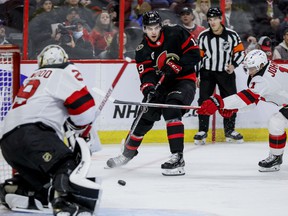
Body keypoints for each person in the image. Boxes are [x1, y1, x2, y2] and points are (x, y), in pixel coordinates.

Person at [0, 45, 101, 215]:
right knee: (66, 164)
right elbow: (84, 110)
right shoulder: (64, 70)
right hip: (33, 134)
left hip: (7, 142)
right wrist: (81, 126)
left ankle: (15, 189)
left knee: (47, 182)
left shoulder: (33, 78)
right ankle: (64, 203)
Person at [106, 11, 201, 176]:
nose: (154, 32)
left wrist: (179, 65)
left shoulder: (176, 33)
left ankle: (177, 158)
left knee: (171, 108)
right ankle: (127, 154)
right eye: (150, 28)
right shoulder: (142, 50)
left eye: (156, 27)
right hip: (161, 86)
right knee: (143, 118)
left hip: (183, 81)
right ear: (144, 29)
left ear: (161, 26)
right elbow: (146, 74)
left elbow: (195, 54)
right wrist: (149, 88)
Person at [197, 49, 288, 172]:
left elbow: (246, 97)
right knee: (276, 122)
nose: (249, 71)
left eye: (252, 68)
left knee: (276, 122)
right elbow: (252, 102)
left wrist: (220, 103)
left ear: (261, 65)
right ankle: (276, 157)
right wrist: (233, 109)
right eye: (248, 68)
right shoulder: (264, 70)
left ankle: (276, 157)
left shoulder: (263, 79)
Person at [194, 7, 245, 145]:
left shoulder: (232, 35)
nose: (213, 22)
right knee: (204, 101)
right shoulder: (203, 36)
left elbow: (240, 52)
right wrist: (196, 75)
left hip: (226, 73)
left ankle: (230, 130)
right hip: (207, 73)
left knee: (230, 100)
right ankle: (202, 131)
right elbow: (198, 58)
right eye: (210, 19)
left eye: (215, 19)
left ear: (221, 19)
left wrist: (234, 65)